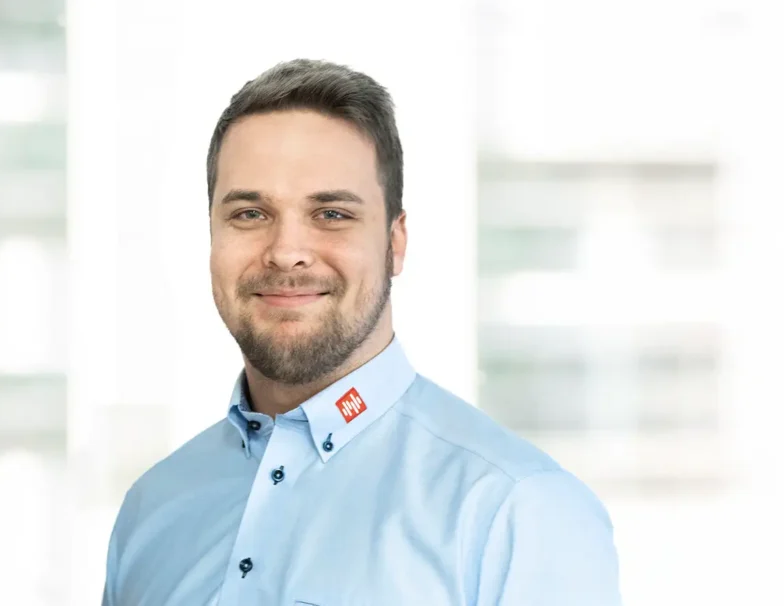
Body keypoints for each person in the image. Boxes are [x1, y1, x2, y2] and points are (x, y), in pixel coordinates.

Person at [101, 59, 622, 606]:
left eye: (331, 214)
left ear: (395, 243)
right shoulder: (150, 510)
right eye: (250, 214)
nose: (286, 252)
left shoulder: (516, 512)